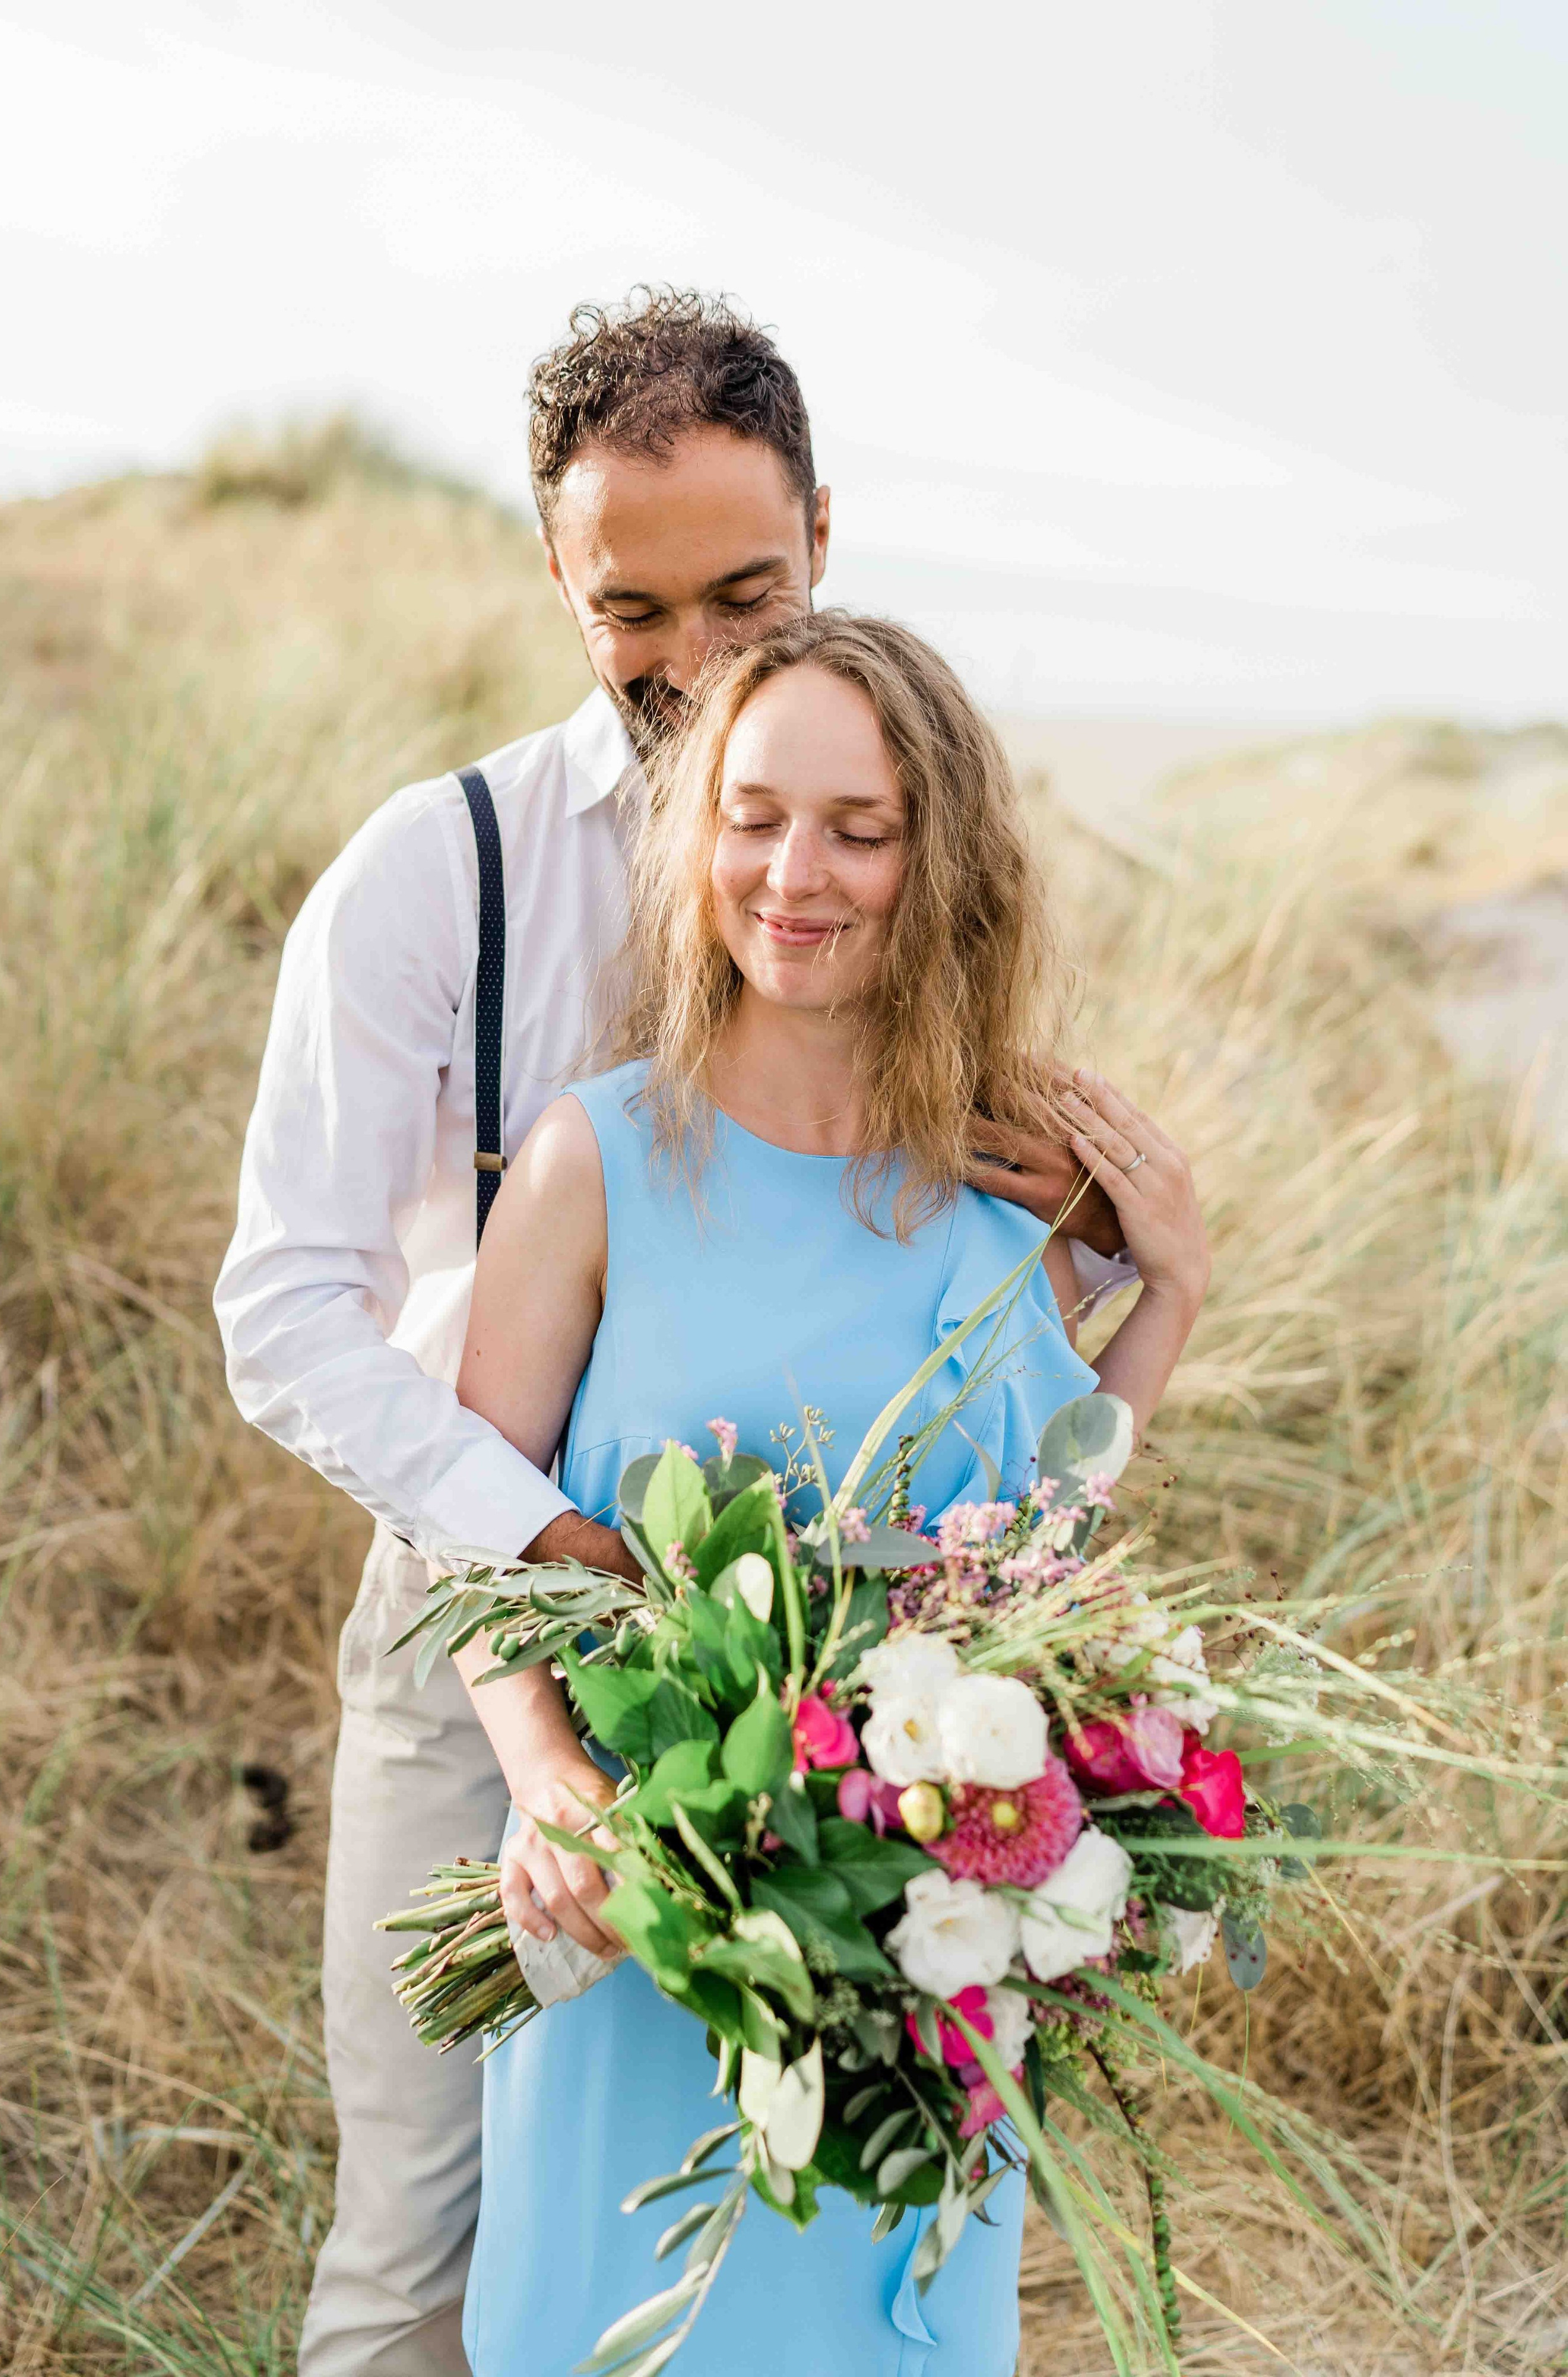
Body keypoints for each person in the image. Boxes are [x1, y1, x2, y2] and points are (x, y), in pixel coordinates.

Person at [215, 290, 1139, 2377]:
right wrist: (537, 1545)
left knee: (780, 2196)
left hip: (831, 1659)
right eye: (635, 609)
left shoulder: (888, 852)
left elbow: (970, 1306)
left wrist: (1124, 1256)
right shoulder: (432, 874)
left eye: (750, 595)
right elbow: (281, 1307)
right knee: (424, 2234)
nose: (701, 662)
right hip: (482, 1612)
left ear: (823, 537)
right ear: (560, 575)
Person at [451, 610, 1209, 2376]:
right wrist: (549, 1777)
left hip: (912, 1951)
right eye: (755, 817)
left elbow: (1037, 1570)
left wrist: (1166, 1294)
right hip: (635, 1903)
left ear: (939, 862)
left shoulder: (1003, 1196)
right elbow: (467, 1531)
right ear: (697, 835)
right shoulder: (594, 1156)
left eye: (860, 831)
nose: (795, 877)